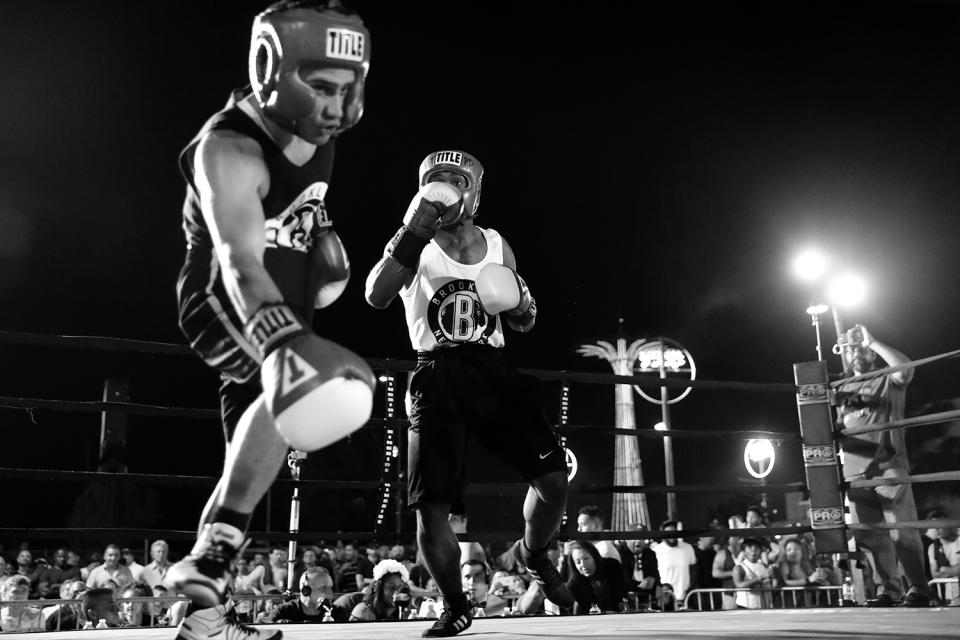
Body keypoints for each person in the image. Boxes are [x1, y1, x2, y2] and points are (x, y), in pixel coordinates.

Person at [164, 2, 376, 639]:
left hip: (290, 305)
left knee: (255, 458)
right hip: (224, 302)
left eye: (348, 87)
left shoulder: (319, 138)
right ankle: (213, 554)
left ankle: (203, 620)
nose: (335, 106)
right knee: (297, 395)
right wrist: (286, 341)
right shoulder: (228, 148)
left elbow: (298, 217)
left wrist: (320, 255)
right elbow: (239, 259)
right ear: (272, 69)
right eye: (320, 86)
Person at [365, 149, 573, 636]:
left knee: (553, 480)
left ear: (474, 190)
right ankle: (456, 605)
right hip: (435, 374)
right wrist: (412, 233)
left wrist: (520, 301)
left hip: (492, 369)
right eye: (435, 179)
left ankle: (533, 553)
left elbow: (525, 320)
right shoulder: (413, 242)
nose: (444, 187)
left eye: (454, 179)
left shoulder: (498, 243)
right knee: (430, 506)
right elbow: (375, 295)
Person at [835, 324, 930, 607]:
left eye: (860, 347)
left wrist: (873, 341)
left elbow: (905, 367)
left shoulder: (886, 378)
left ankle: (918, 589)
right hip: (854, 473)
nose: (856, 352)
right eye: (851, 348)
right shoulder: (840, 389)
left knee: (902, 531)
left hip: (889, 466)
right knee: (868, 537)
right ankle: (888, 590)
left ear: (870, 353)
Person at [564, 541, 626, 615]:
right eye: (578, 562)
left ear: (594, 556)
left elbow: (621, 596)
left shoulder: (612, 566)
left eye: (586, 558)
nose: (583, 565)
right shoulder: (574, 584)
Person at [926, 509, 960, 605]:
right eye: (933, 526)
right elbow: (935, 574)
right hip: (947, 599)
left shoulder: (959, 542)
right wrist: (954, 571)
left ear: (947, 524)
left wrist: (944, 570)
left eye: (940, 524)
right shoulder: (933, 548)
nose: (937, 529)